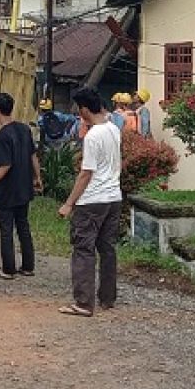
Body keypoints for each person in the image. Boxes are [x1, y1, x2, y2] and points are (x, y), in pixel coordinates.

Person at [57, 86, 122, 317]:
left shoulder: (93, 136)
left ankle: (83, 303)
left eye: (79, 109)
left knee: (83, 249)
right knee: (107, 248)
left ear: (84, 109)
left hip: (92, 200)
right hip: (114, 197)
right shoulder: (113, 128)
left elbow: (86, 173)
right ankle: (107, 297)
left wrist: (69, 203)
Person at [0, 92, 42, 280]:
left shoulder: (2, 136)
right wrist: (37, 177)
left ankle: (8, 269)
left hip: (7, 191)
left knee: (6, 230)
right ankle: (28, 266)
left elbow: (5, 165)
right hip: (24, 188)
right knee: (23, 226)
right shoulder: (24, 129)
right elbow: (32, 156)